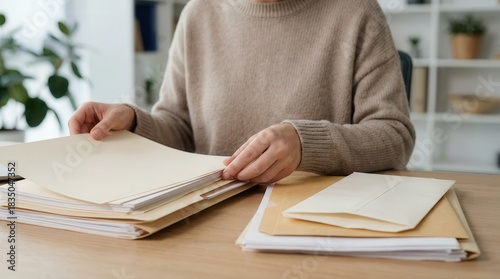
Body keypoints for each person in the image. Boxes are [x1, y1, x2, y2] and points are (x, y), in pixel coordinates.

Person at [69, 0, 415, 184]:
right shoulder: (198, 14)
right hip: (208, 218)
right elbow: (180, 127)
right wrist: (133, 124)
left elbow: (394, 136)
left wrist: (306, 144)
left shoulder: (356, 13)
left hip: (314, 226)